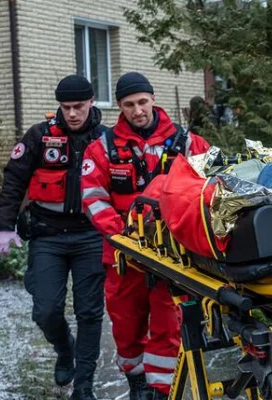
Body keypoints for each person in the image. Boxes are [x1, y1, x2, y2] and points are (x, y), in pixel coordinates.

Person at [81, 72, 210, 400]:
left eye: (142, 102)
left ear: (153, 99)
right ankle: (135, 377)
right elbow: (93, 196)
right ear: (120, 107)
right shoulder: (103, 148)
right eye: (128, 104)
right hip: (125, 253)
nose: (137, 110)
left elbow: (211, 186)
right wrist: (122, 234)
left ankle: (159, 389)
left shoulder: (188, 142)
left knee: (168, 319)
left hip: (173, 253)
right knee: (126, 322)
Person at [0, 75, 106, 400]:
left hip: (90, 236)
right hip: (47, 234)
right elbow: (14, 180)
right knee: (45, 309)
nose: (72, 114)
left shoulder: (106, 140)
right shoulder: (40, 136)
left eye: (79, 107)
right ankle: (64, 347)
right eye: (66, 107)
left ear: (91, 102)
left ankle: (84, 385)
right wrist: (4, 225)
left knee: (89, 313)